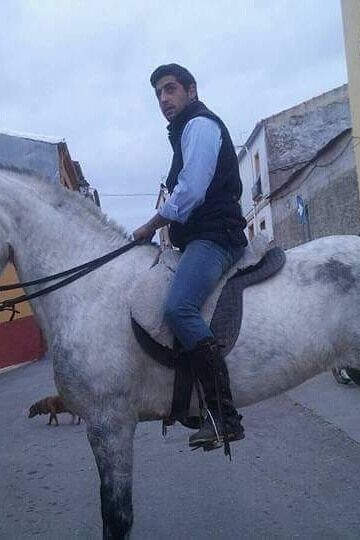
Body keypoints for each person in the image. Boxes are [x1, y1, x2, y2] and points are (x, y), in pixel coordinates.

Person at [133, 64, 248, 449]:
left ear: (191, 90)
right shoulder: (185, 131)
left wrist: (151, 225)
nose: (164, 99)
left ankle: (224, 416)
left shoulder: (199, 125)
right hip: (200, 238)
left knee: (179, 308)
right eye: (158, 94)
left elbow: (192, 190)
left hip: (216, 237)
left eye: (170, 89)